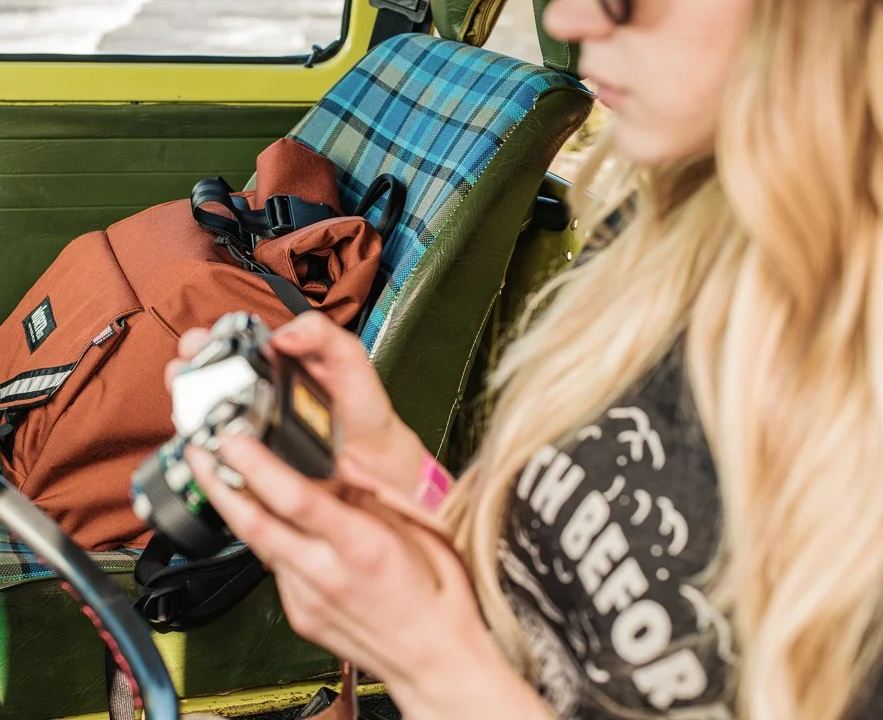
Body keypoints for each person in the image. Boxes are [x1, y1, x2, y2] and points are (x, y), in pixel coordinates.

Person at [171, 0, 883, 717]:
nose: (569, 18)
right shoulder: (663, 240)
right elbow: (545, 605)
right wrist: (400, 476)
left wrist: (430, 663)